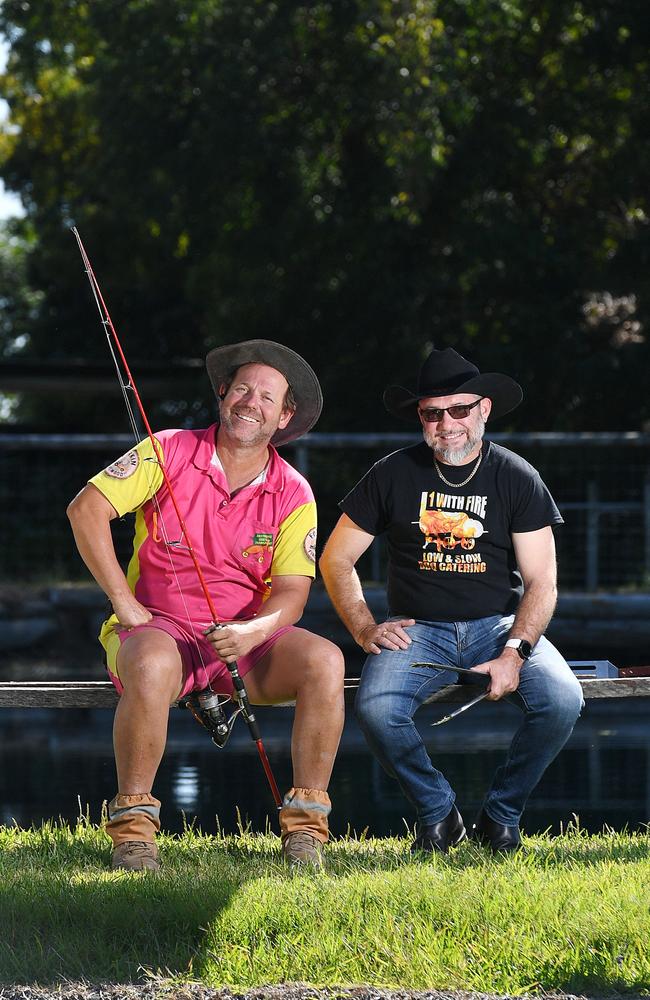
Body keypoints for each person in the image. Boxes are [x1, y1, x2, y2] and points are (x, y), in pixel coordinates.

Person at [67, 340, 345, 870]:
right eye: (242, 387)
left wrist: (253, 632)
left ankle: (307, 829)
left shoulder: (295, 490)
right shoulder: (164, 448)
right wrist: (124, 604)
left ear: (284, 416)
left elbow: (292, 593)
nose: (250, 401)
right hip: (157, 629)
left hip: (243, 642)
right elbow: (85, 511)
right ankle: (133, 830)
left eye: (267, 396)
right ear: (223, 392)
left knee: (326, 661)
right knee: (150, 663)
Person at [319, 346, 583, 854]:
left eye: (459, 409)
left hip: (499, 626)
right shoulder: (391, 474)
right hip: (419, 630)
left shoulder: (516, 476)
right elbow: (335, 560)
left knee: (562, 699)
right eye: (432, 413)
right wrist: (363, 627)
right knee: (376, 709)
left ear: (483, 409)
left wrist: (515, 653)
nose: (447, 424)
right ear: (420, 418)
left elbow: (542, 582)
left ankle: (501, 816)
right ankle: (438, 813)